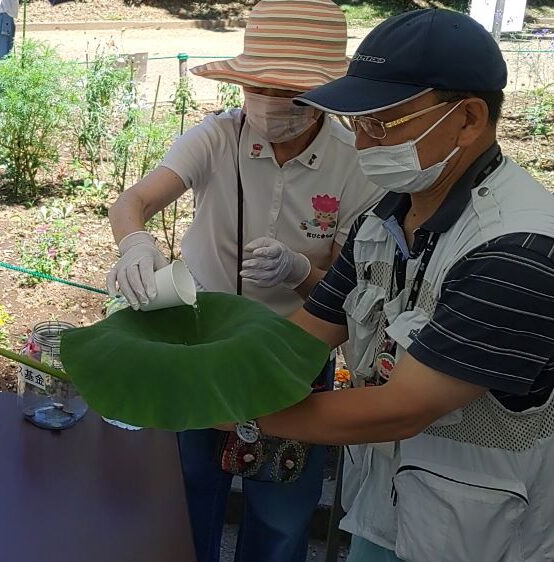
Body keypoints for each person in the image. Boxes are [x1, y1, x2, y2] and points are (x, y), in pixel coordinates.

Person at [220, 8, 554, 561]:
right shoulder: (384, 220)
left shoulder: (518, 250)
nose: (363, 142)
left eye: (384, 122)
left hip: (481, 534)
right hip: (386, 505)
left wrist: (239, 412)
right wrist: (202, 367)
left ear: (469, 118)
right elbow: (304, 338)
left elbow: (402, 407)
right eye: (358, 122)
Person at [106, 1, 381, 560]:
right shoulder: (218, 138)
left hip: (292, 356)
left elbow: (346, 287)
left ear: (324, 96)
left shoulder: (355, 164)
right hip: (199, 347)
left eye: (288, 93)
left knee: (280, 523)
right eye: (258, 88)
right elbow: (134, 201)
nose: (268, 104)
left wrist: (301, 273)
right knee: (185, 499)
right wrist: (136, 241)